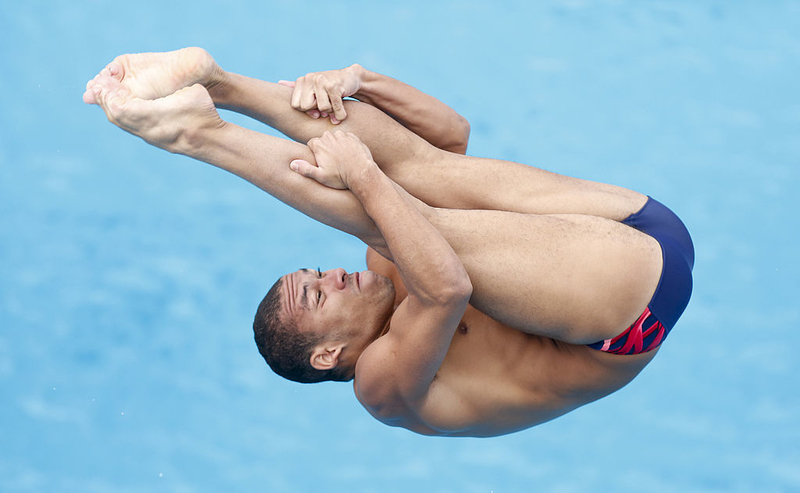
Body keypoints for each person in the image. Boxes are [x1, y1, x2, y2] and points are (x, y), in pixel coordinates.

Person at [84, 48, 694, 437]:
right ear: (327, 355)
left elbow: (450, 138)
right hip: (630, 309)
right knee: (399, 217)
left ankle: (218, 82)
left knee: (423, 178)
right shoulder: (384, 388)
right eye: (319, 297)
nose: (335, 276)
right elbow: (447, 286)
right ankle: (199, 136)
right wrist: (364, 177)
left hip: (644, 224)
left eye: (317, 273)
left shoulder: (387, 263)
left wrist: (358, 81)